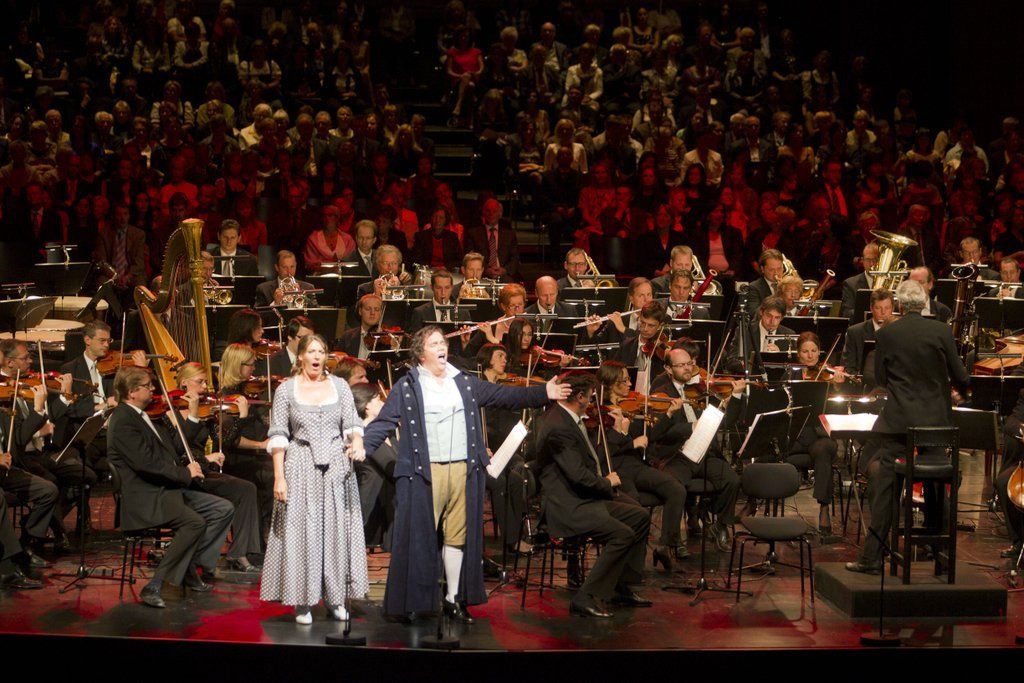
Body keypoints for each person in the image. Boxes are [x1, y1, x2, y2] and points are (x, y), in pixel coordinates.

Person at [359, 326, 569, 623]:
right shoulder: (408, 387)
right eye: (434, 343)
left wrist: (543, 392)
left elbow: (504, 395)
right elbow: (383, 423)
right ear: (420, 353)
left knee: (457, 538)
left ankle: (453, 598)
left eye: (443, 342)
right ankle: (417, 601)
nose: (441, 347)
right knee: (421, 538)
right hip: (425, 473)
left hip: (463, 470)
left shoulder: (465, 382)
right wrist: (361, 447)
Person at [846, 279, 970, 574]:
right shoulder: (941, 330)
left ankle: (872, 558)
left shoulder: (887, 333)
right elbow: (960, 374)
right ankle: (941, 555)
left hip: (899, 422)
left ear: (899, 305)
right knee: (937, 486)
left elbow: (881, 379)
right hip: (935, 424)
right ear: (924, 302)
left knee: (886, 487)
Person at [260, 334, 368, 624]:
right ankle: (302, 600)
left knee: (336, 531)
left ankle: (336, 598)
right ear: (301, 356)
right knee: (301, 533)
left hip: (335, 465)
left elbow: (352, 423)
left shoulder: (339, 386)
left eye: (321, 351)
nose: (317, 356)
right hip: (300, 464)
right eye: (311, 351)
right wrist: (279, 478)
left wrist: (357, 442)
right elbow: (278, 435)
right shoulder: (286, 390)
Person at [107, 366, 235, 608]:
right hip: (145, 495)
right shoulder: (123, 420)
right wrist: (185, 473)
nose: (153, 389)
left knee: (222, 509)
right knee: (194, 523)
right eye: (147, 385)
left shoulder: (147, 416)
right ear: (132, 392)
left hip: (165, 488)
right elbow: (146, 464)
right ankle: (156, 583)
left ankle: (187, 567)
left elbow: (175, 448)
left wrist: (190, 422)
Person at [534, 371, 652, 618]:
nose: (592, 401)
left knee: (639, 516)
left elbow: (587, 463)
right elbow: (577, 475)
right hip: (568, 506)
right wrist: (606, 483)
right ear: (579, 397)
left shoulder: (569, 419)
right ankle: (585, 597)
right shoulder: (558, 427)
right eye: (590, 396)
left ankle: (619, 585)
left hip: (583, 497)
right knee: (622, 534)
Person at [649, 339, 746, 551]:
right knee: (676, 489)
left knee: (731, 479)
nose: (687, 368)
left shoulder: (701, 390)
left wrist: (736, 395)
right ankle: (671, 541)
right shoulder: (662, 393)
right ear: (668, 369)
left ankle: (720, 525)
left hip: (704, 453)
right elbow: (660, 432)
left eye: (690, 364)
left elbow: (726, 422)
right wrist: (692, 427)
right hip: (676, 456)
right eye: (681, 365)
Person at [596, 361, 689, 566]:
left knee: (676, 489)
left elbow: (650, 436)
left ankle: (665, 545)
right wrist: (629, 442)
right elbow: (601, 452)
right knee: (635, 506)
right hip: (615, 469)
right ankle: (629, 562)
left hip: (636, 465)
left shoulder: (632, 405)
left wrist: (668, 415)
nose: (630, 384)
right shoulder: (599, 413)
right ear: (610, 383)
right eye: (625, 381)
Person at [173, 363, 263, 572]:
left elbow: (226, 440)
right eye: (200, 382)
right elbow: (178, 450)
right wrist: (205, 457)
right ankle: (203, 558)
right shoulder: (171, 414)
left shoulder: (206, 412)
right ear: (184, 383)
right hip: (186, 475)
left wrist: (241, 418)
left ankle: (239, 553)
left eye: (206, 382)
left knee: (246, 488)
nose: (205, 387)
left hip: (205, 471)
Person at [786, 332, 841, 539]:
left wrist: (837, 385)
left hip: (819, 436)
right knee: (768, 447)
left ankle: (824, 509)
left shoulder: (828, 376)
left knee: (824, 449)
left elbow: (838, 411)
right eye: (805, 351)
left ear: (819, 353)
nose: (810, 356)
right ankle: (753, 502)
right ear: (798, 354)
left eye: (814, 351)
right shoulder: (790, 375)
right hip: (796, 435)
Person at [350, 383, 396, 550]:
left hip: (387, 505)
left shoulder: (386, 432)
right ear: (367, 405)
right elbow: (392, 468)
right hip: (372, 512)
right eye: (378, 399)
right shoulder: (365, 435)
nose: (383, 403)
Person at [841, 289, 894, 389]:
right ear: (871, 308)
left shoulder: (899, 332)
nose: (883, 312)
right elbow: (849, 367)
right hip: (863, 388)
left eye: (887, 308)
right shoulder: (855, 332)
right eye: (878, 308)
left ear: (892, 308)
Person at [254, 250, 319, 308]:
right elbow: (258, 314)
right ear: (277, 267)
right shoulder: (263, 289)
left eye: (292, 267)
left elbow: (315, 312)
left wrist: (302, 296)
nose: (289, 271)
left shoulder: (308, 287)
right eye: (285, 267)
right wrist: (275, 303)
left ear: (296, 265)